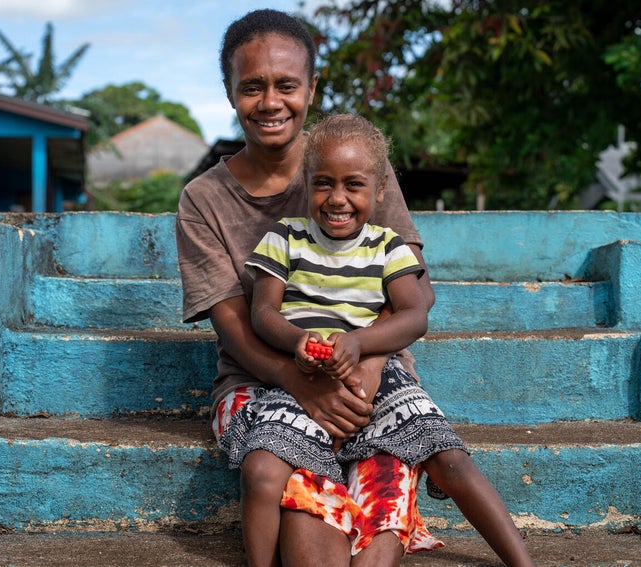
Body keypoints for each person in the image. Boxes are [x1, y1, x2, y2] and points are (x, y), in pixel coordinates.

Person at [175, 8, 530, 566]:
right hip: (260, 380)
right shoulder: (204, 199)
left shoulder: (354, 162)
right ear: (229, 91)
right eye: (252, 87)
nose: (271, 102)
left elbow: (416, 294)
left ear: (311, 88)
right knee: (299, 517)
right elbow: (238, 327)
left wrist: (365, 358)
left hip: (371, 377)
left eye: (287, 85)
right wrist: (301, 382)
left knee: (384, 507)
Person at [230, 113, 533, 567]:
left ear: (380, 190)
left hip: (379, 372)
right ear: (304, 182)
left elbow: (414, 316)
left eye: (353, 185)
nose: (337, 199)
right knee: (261, 470)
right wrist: (296, 341)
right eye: (322, 183)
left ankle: (523, 562)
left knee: (450, 458)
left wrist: (361, 343)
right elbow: (263, 312)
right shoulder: (284, 239)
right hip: (299, 376)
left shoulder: (388, 246)